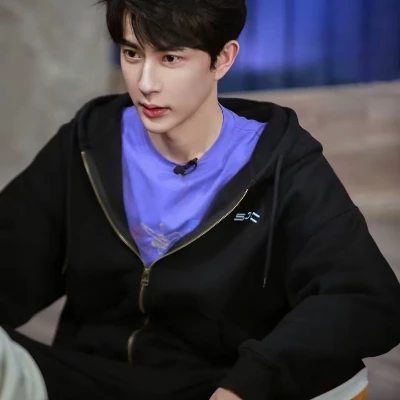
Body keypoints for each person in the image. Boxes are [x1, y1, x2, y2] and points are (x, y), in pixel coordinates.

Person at [1, 0, 400, 399]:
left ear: (222, 59)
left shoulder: (280, 163)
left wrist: (250, 383)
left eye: (170, 58)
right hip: (90, 379)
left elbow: (364, 296)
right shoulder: (88, 144)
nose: (145, 82)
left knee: (340, 376)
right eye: (132, 53)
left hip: (218, 387)